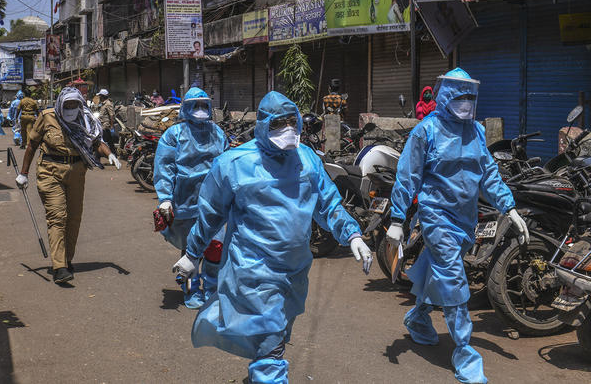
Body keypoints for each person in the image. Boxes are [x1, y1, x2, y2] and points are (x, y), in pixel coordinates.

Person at [173, 91, 372, 383]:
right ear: (264, 124)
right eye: (280, 123)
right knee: (271, 343)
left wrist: (352, 234)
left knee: (276, 332)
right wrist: (192, 254)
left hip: (294, 270)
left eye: (293, 122)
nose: (288, 129)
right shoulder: (235, 163)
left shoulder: (306, 159)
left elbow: (328, 204)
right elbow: (211, 214)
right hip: (254, 270)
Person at [387, 68, 529, 384]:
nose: (466, 101)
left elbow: (489, 174)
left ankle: (419, 317)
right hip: (436, 216)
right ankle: (465, 353)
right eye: (460, 95)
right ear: (447, 95)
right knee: (452, 276)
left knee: (441, 272)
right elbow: (407, 176)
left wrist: (509, 207)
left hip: (466, 220)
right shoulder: (426, 131)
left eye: (470, 95)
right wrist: (397, 219)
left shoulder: (476, 131)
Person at [15, 87, 122, 284]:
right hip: (50, 171)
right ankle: (59, 267)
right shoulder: (48, 117)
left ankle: (67, 259)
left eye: (75, 104)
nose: (72, 107)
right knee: (57, 217)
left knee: (73, 218)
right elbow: (32, 145)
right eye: (68, 104)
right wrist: (23, 173)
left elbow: (96, 141)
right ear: (61, 103)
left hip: (76, 172)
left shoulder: (85, 118)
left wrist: (110, 154)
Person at [154, 87, 228, 309]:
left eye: (204, 105)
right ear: (186, 107)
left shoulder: (218, 133)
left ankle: (212, 288)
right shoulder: (174, 135)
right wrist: (165, 198)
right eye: (195, 105)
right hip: (185, 201)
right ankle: (191, 288)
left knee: (216, 245)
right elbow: (164, 167)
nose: (200, 110)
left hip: (214, 202)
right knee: (190, 248)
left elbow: (227, 165)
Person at [95, 89, 116, 153]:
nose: (99, 97)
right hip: (102, 124)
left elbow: (112, 115)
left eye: (100, 96)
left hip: (105, 125)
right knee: (109, 141)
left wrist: (111, 126)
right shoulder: (103, 103)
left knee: (103, 140)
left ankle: (108, 153)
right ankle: (112, 153)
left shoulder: (108, 104)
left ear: (103, 96)